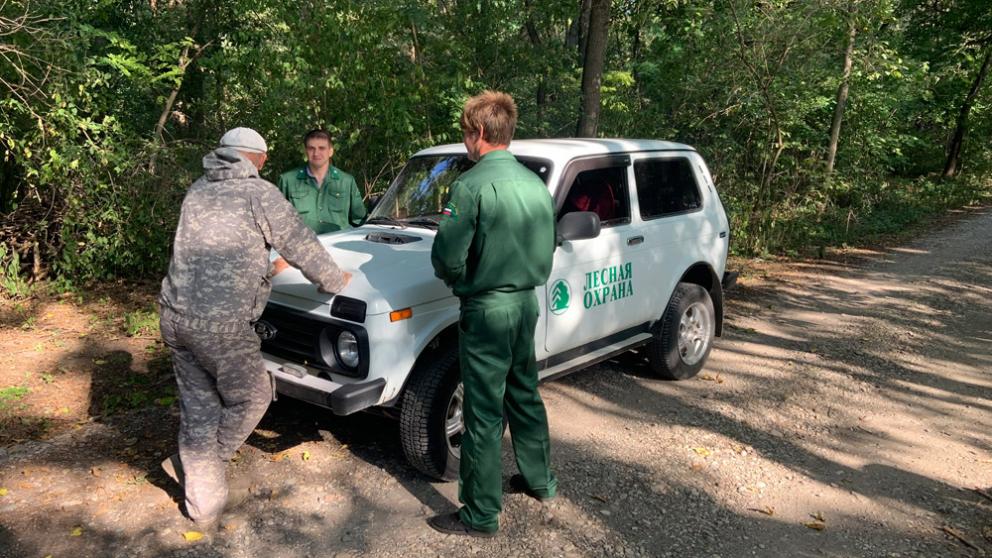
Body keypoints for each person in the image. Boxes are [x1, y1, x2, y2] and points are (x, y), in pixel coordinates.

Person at [158, 127, 351, 529]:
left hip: (175, 316)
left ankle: (199, 499)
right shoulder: (257, 193)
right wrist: (334, 281)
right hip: (220, 325)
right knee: (254, 395)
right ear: (256, 159)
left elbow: (211, 251)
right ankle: (208, 465)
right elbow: (300, 242)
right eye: (263, 160)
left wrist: (263, 266)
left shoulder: (198, 188)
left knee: (199, 409)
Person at [428, 91, 559, 537]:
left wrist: (463, 281)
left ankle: (480, 513)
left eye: (466, 133)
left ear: (479, 133)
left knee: (483, 411)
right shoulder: (535, 185)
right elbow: (548, 246)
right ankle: (540, 481)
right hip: (526, 304)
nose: (465, 142)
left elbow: (446, 256)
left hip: (486, 309)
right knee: (524, 391)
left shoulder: (471, 185)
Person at [277, 129, 367, 235]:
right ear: (305, 151)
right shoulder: (288, 180)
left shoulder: (346, 181)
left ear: (330, 151)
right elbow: (277, 221)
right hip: (300, 248)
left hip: (336, 248)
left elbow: (360, 221)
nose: (316, 153)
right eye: (311, 148)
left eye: (322, 148)